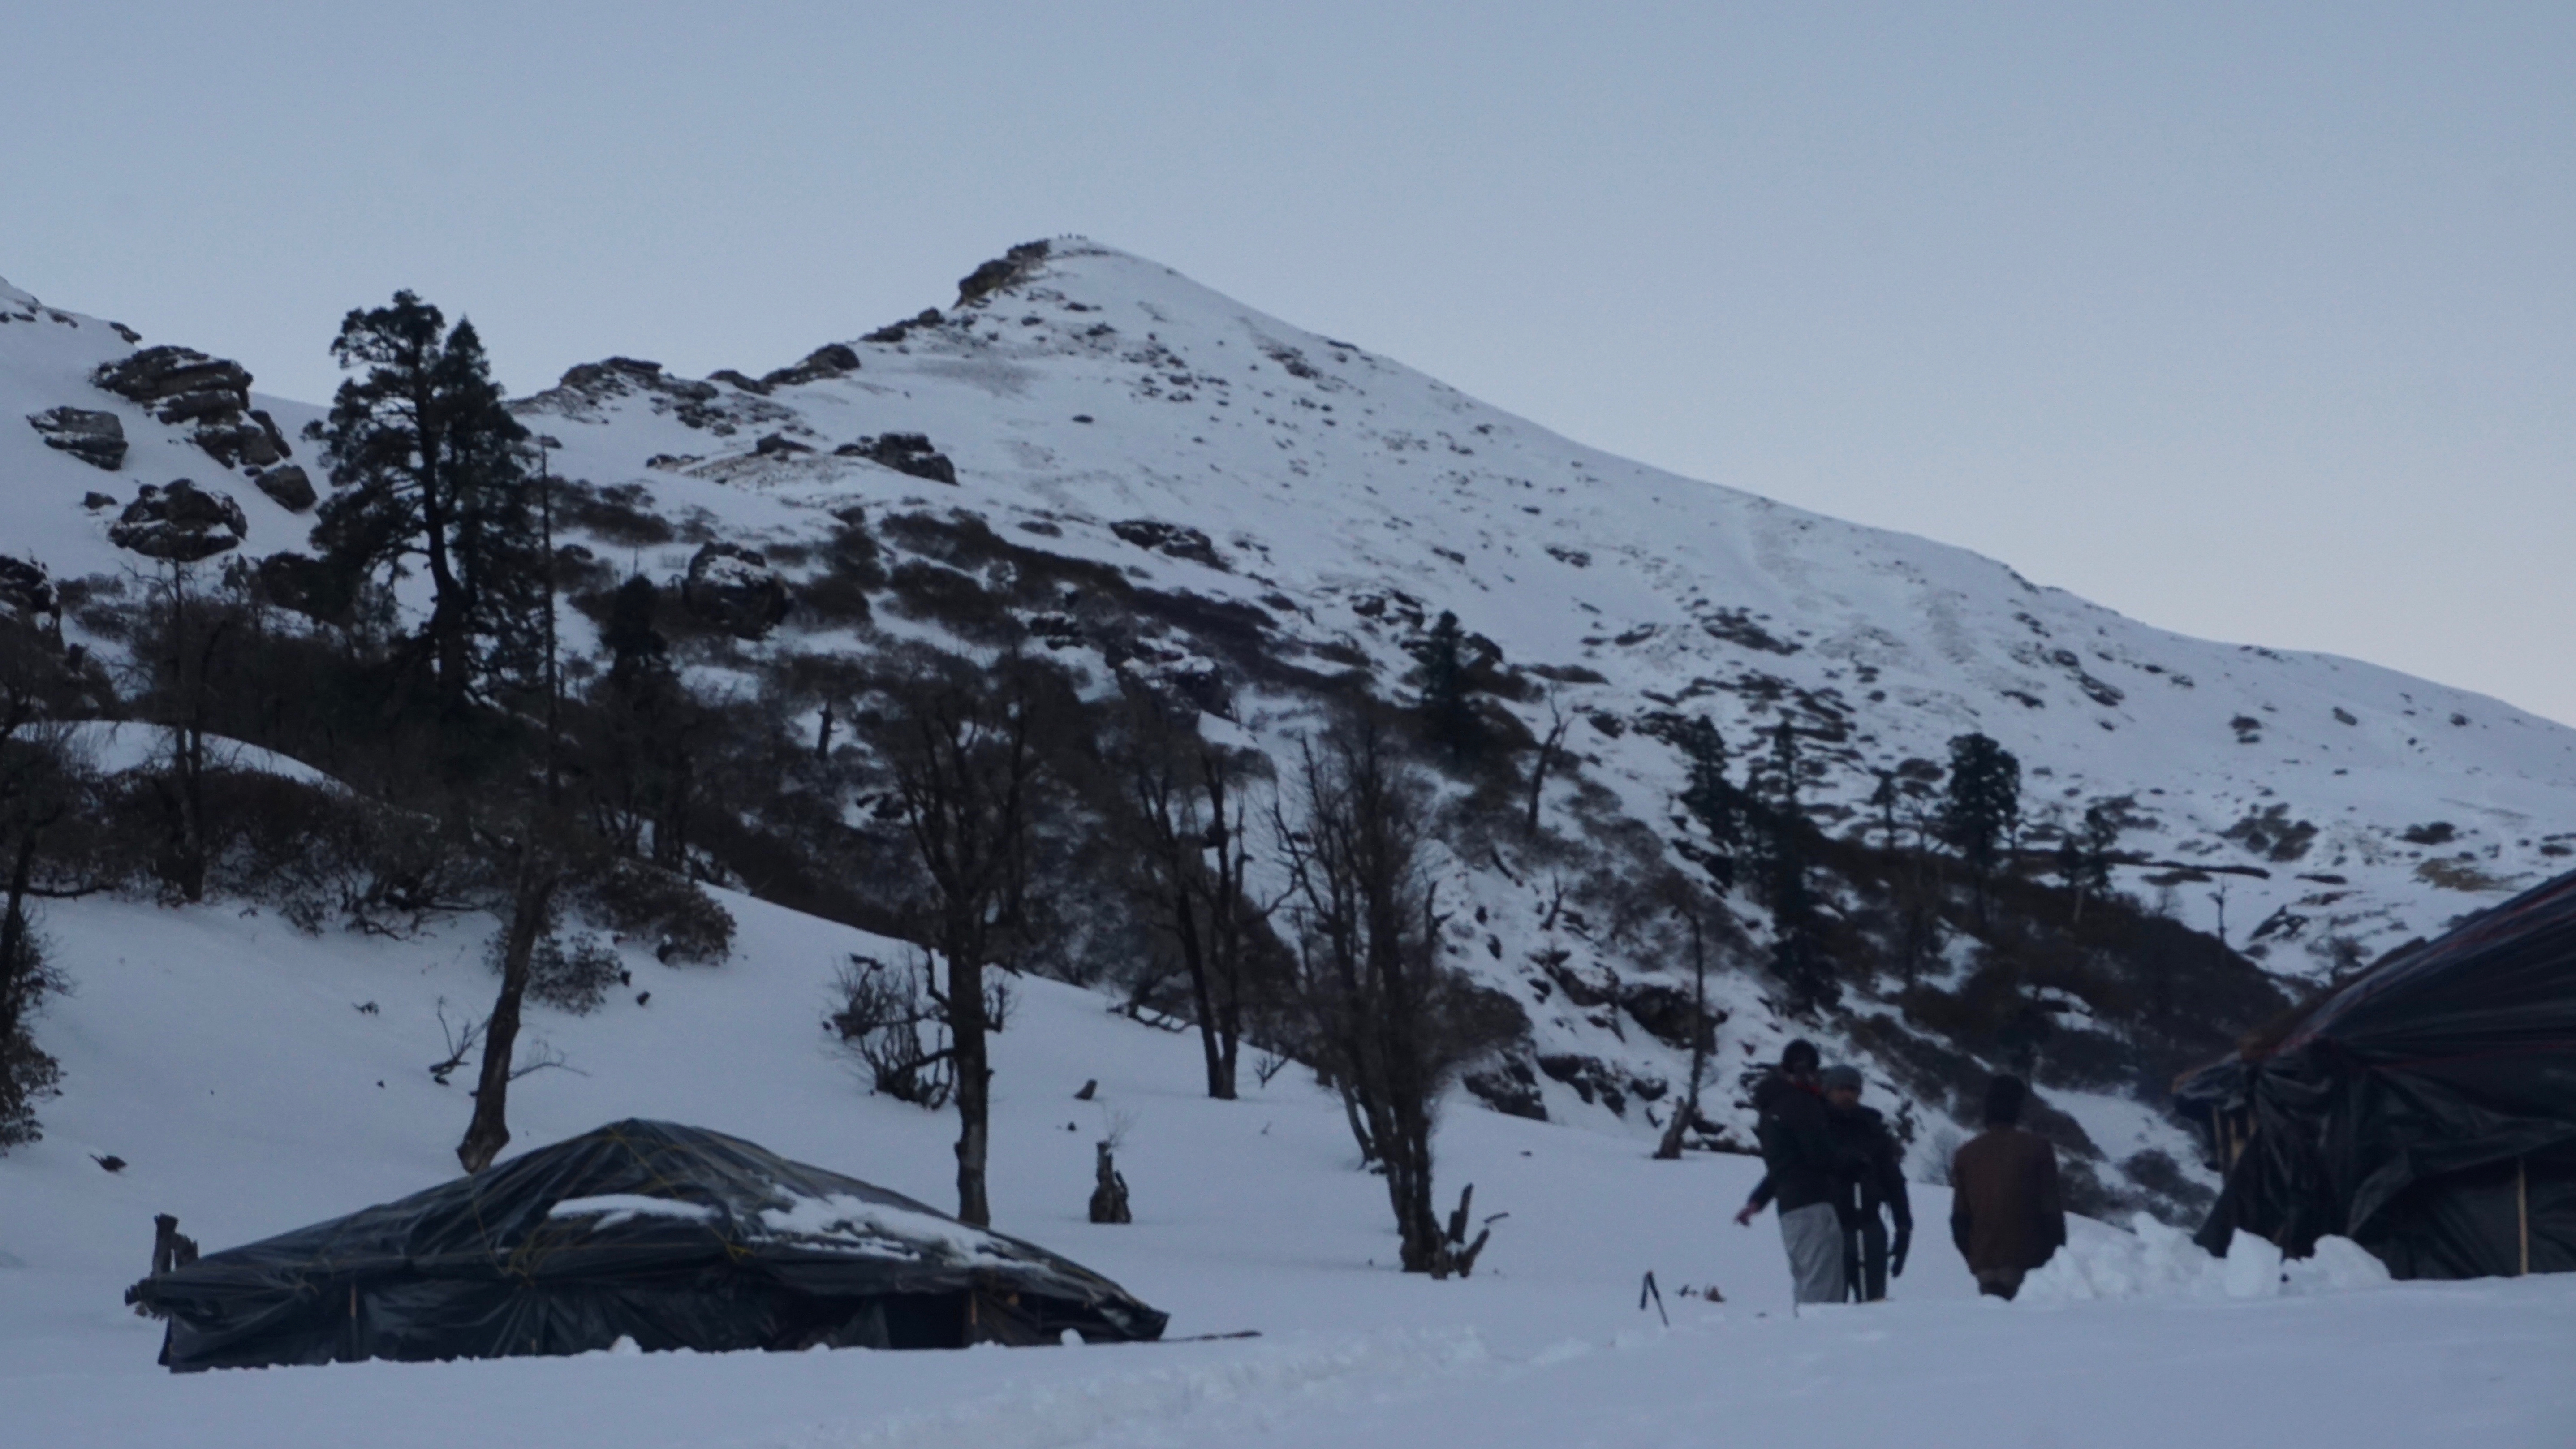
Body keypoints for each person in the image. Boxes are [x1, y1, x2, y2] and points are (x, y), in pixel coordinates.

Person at [1733, 1039, 1845, 1305]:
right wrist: (1852, 1160)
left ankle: (1803, 1341)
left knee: (1807, 1286)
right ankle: (1820, 1344)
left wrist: (1758, 1200)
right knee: (1823, 1292)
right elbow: (1821, 1156)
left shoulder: (1772, 1107)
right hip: (1814, 1204)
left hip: (1790, 1209)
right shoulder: (1802, 1104)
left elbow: (1785, 1163)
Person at [1948, 1073, 2066, 1300]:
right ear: (2018, 1108)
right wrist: (2056, 1259)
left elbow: (1959, 1220)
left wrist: (1975, 1256)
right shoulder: (2038, 1149)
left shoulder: (1966, 1154)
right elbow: (2051, 1212)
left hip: (1984, 1262)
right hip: (2028, 1262)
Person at [1820, 1065, 1912, 1302]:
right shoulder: (1817, 1127)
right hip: (1828, 1226)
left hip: (1869, 1224)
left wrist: (1903, 1227)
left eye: (1853, 1090)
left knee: (1873, 1304)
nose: (1847, 1095)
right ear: (1828, 1091)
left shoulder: (1873, 1129)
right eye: (1841, 1089)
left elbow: (1893, 1181)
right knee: (1828, 1303)